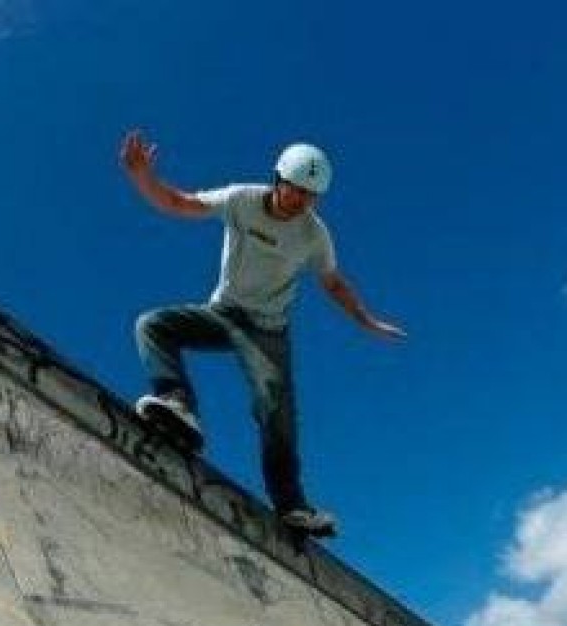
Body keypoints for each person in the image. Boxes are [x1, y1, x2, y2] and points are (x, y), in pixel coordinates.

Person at [121, 129, 405, 535]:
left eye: (310, 197)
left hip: (268, 332)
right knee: (152, 325)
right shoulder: (241, 199)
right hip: (223, 313)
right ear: (278, 180)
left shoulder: (314, 235)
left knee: (275, 409)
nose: (300, 203)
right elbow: (180, 204)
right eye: (295, 192)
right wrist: (143, 177)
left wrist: (367, 321)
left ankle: (292, 505)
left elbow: (333, 283)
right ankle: (177, 402)